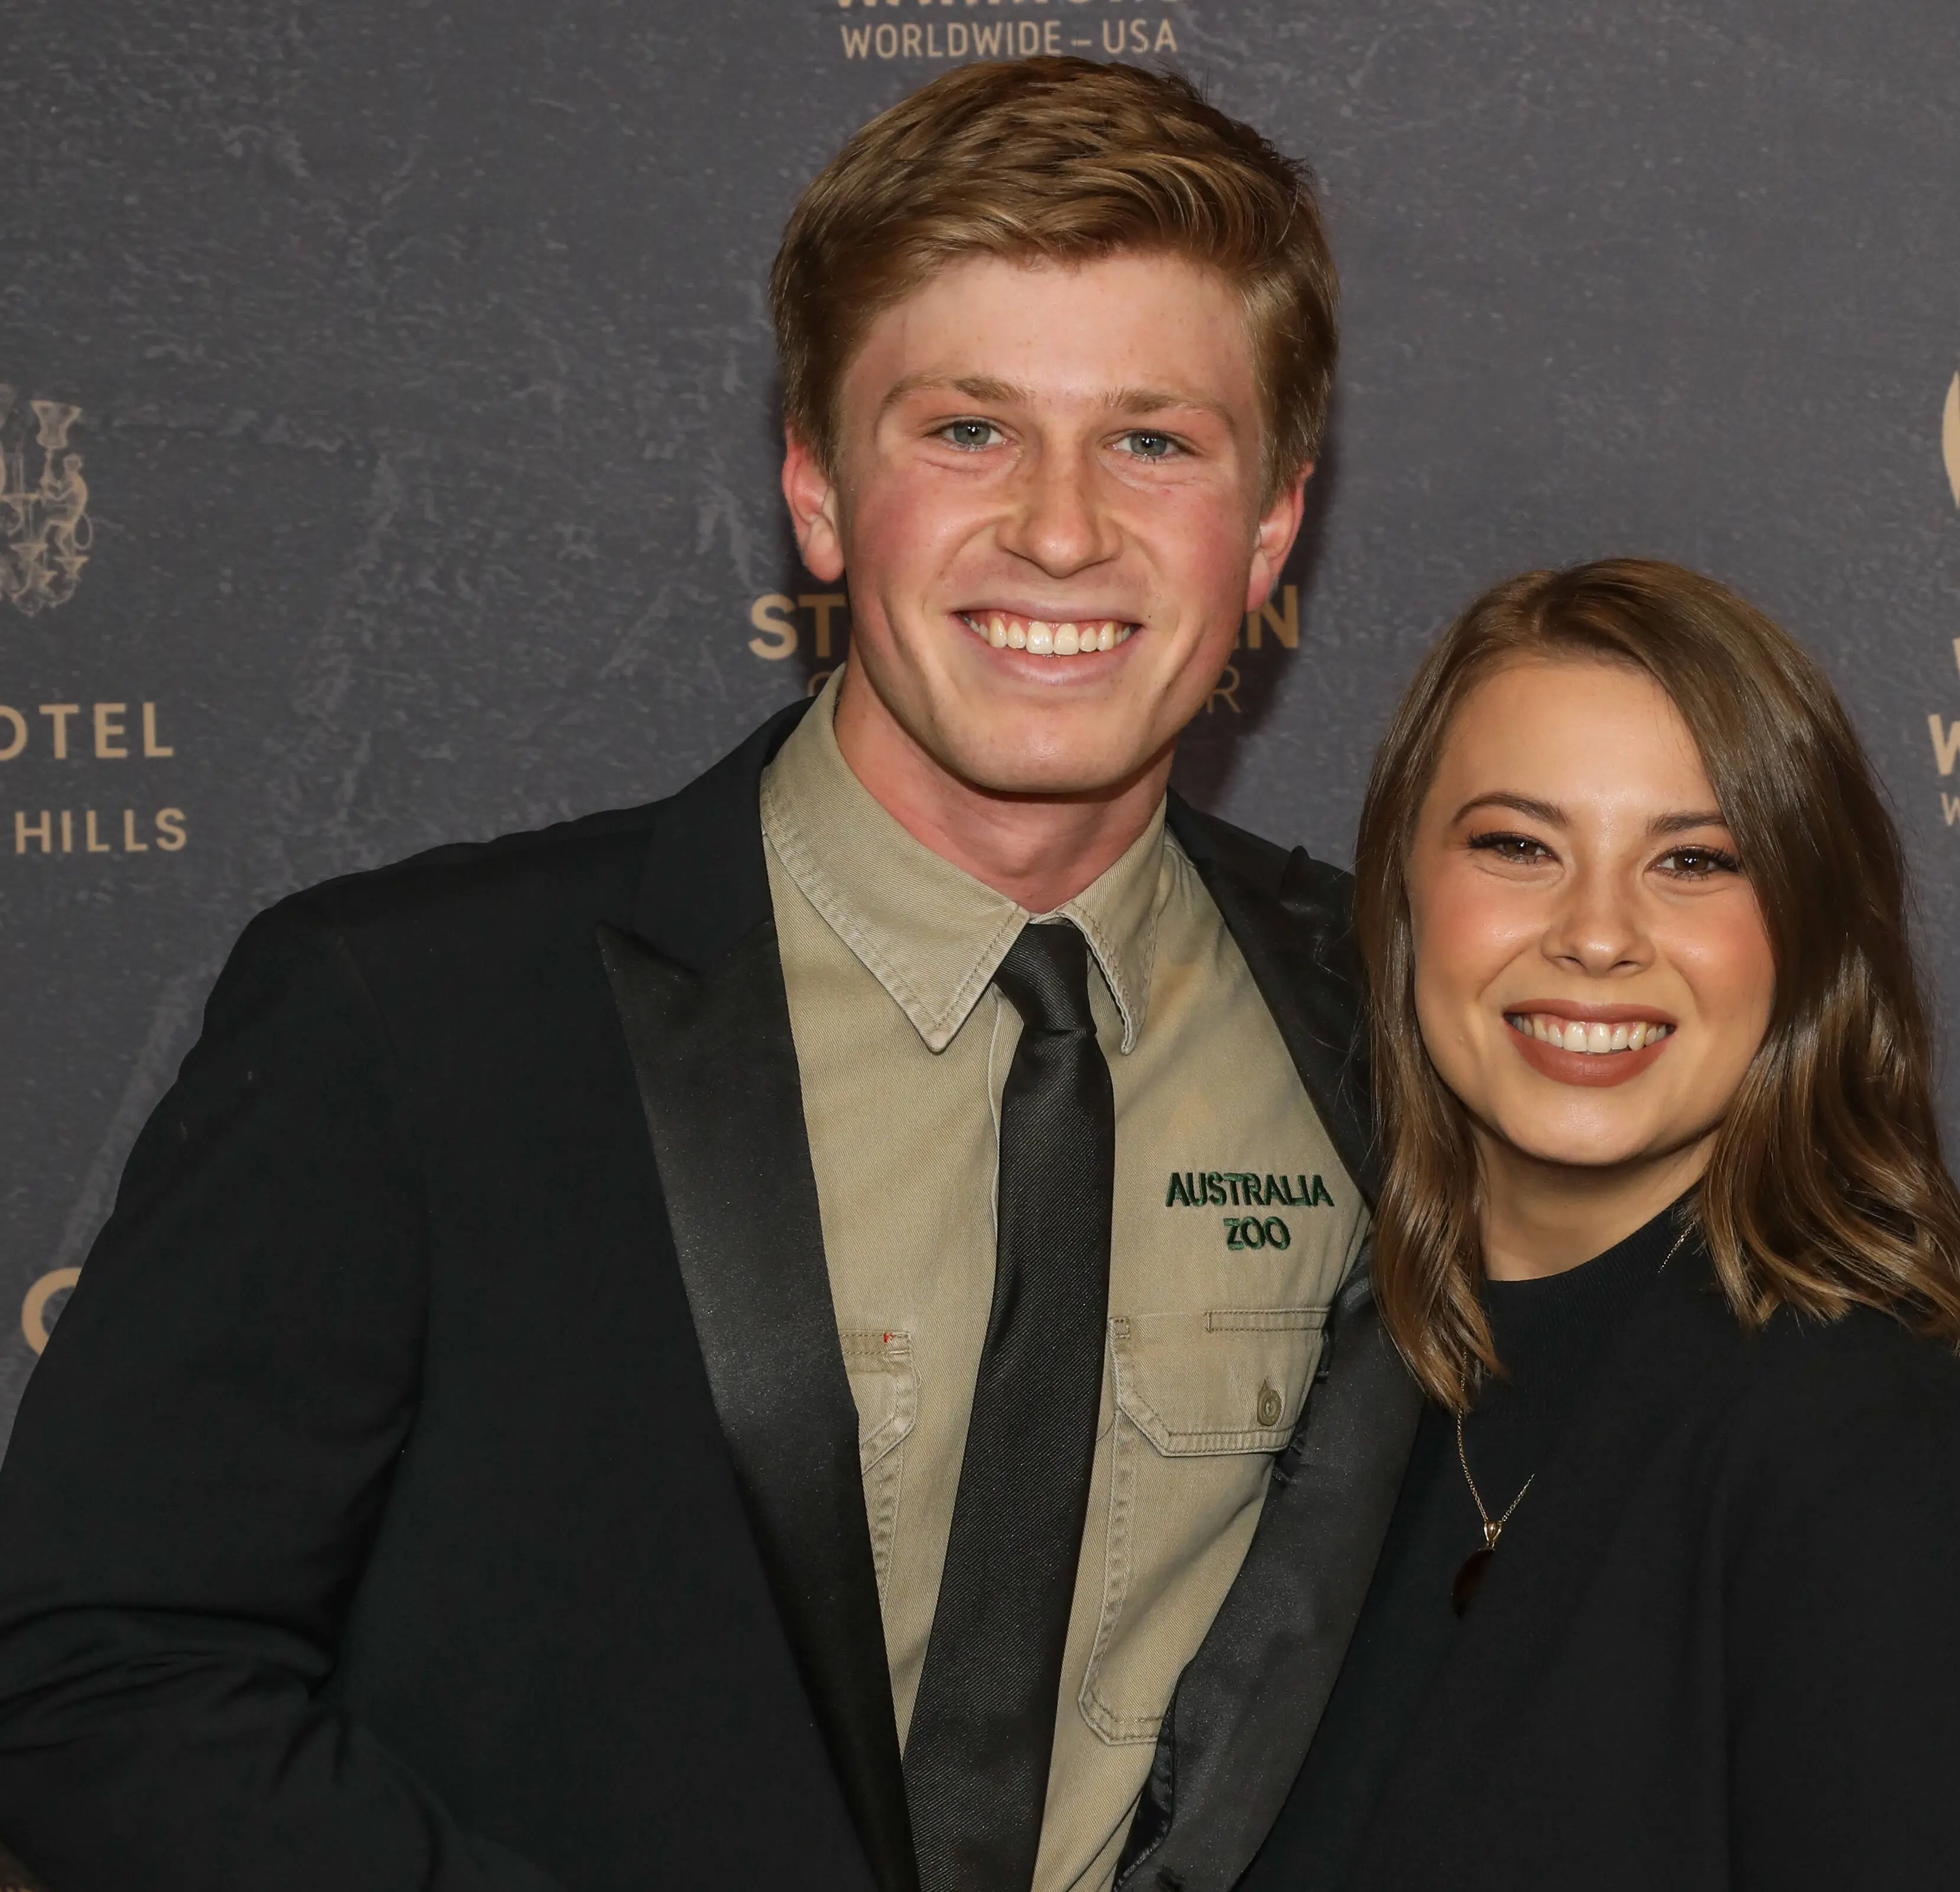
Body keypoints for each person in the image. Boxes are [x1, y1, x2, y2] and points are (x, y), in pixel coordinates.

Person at [0, 60, 1423, 1892]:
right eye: (966, 431)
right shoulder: (419, 1019)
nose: (1062, 529)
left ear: (1273, 529)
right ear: (820, 495)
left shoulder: (1397, 1031)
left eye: (1156, 440)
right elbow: (87, 1673)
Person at [1247, 561, 1960, 1891]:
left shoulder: (1861, 1452)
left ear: (1807, 939)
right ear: (1401, 891)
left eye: (1694, 860)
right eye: (1517, 845)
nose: (1596, 935)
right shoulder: (1311, 1379)